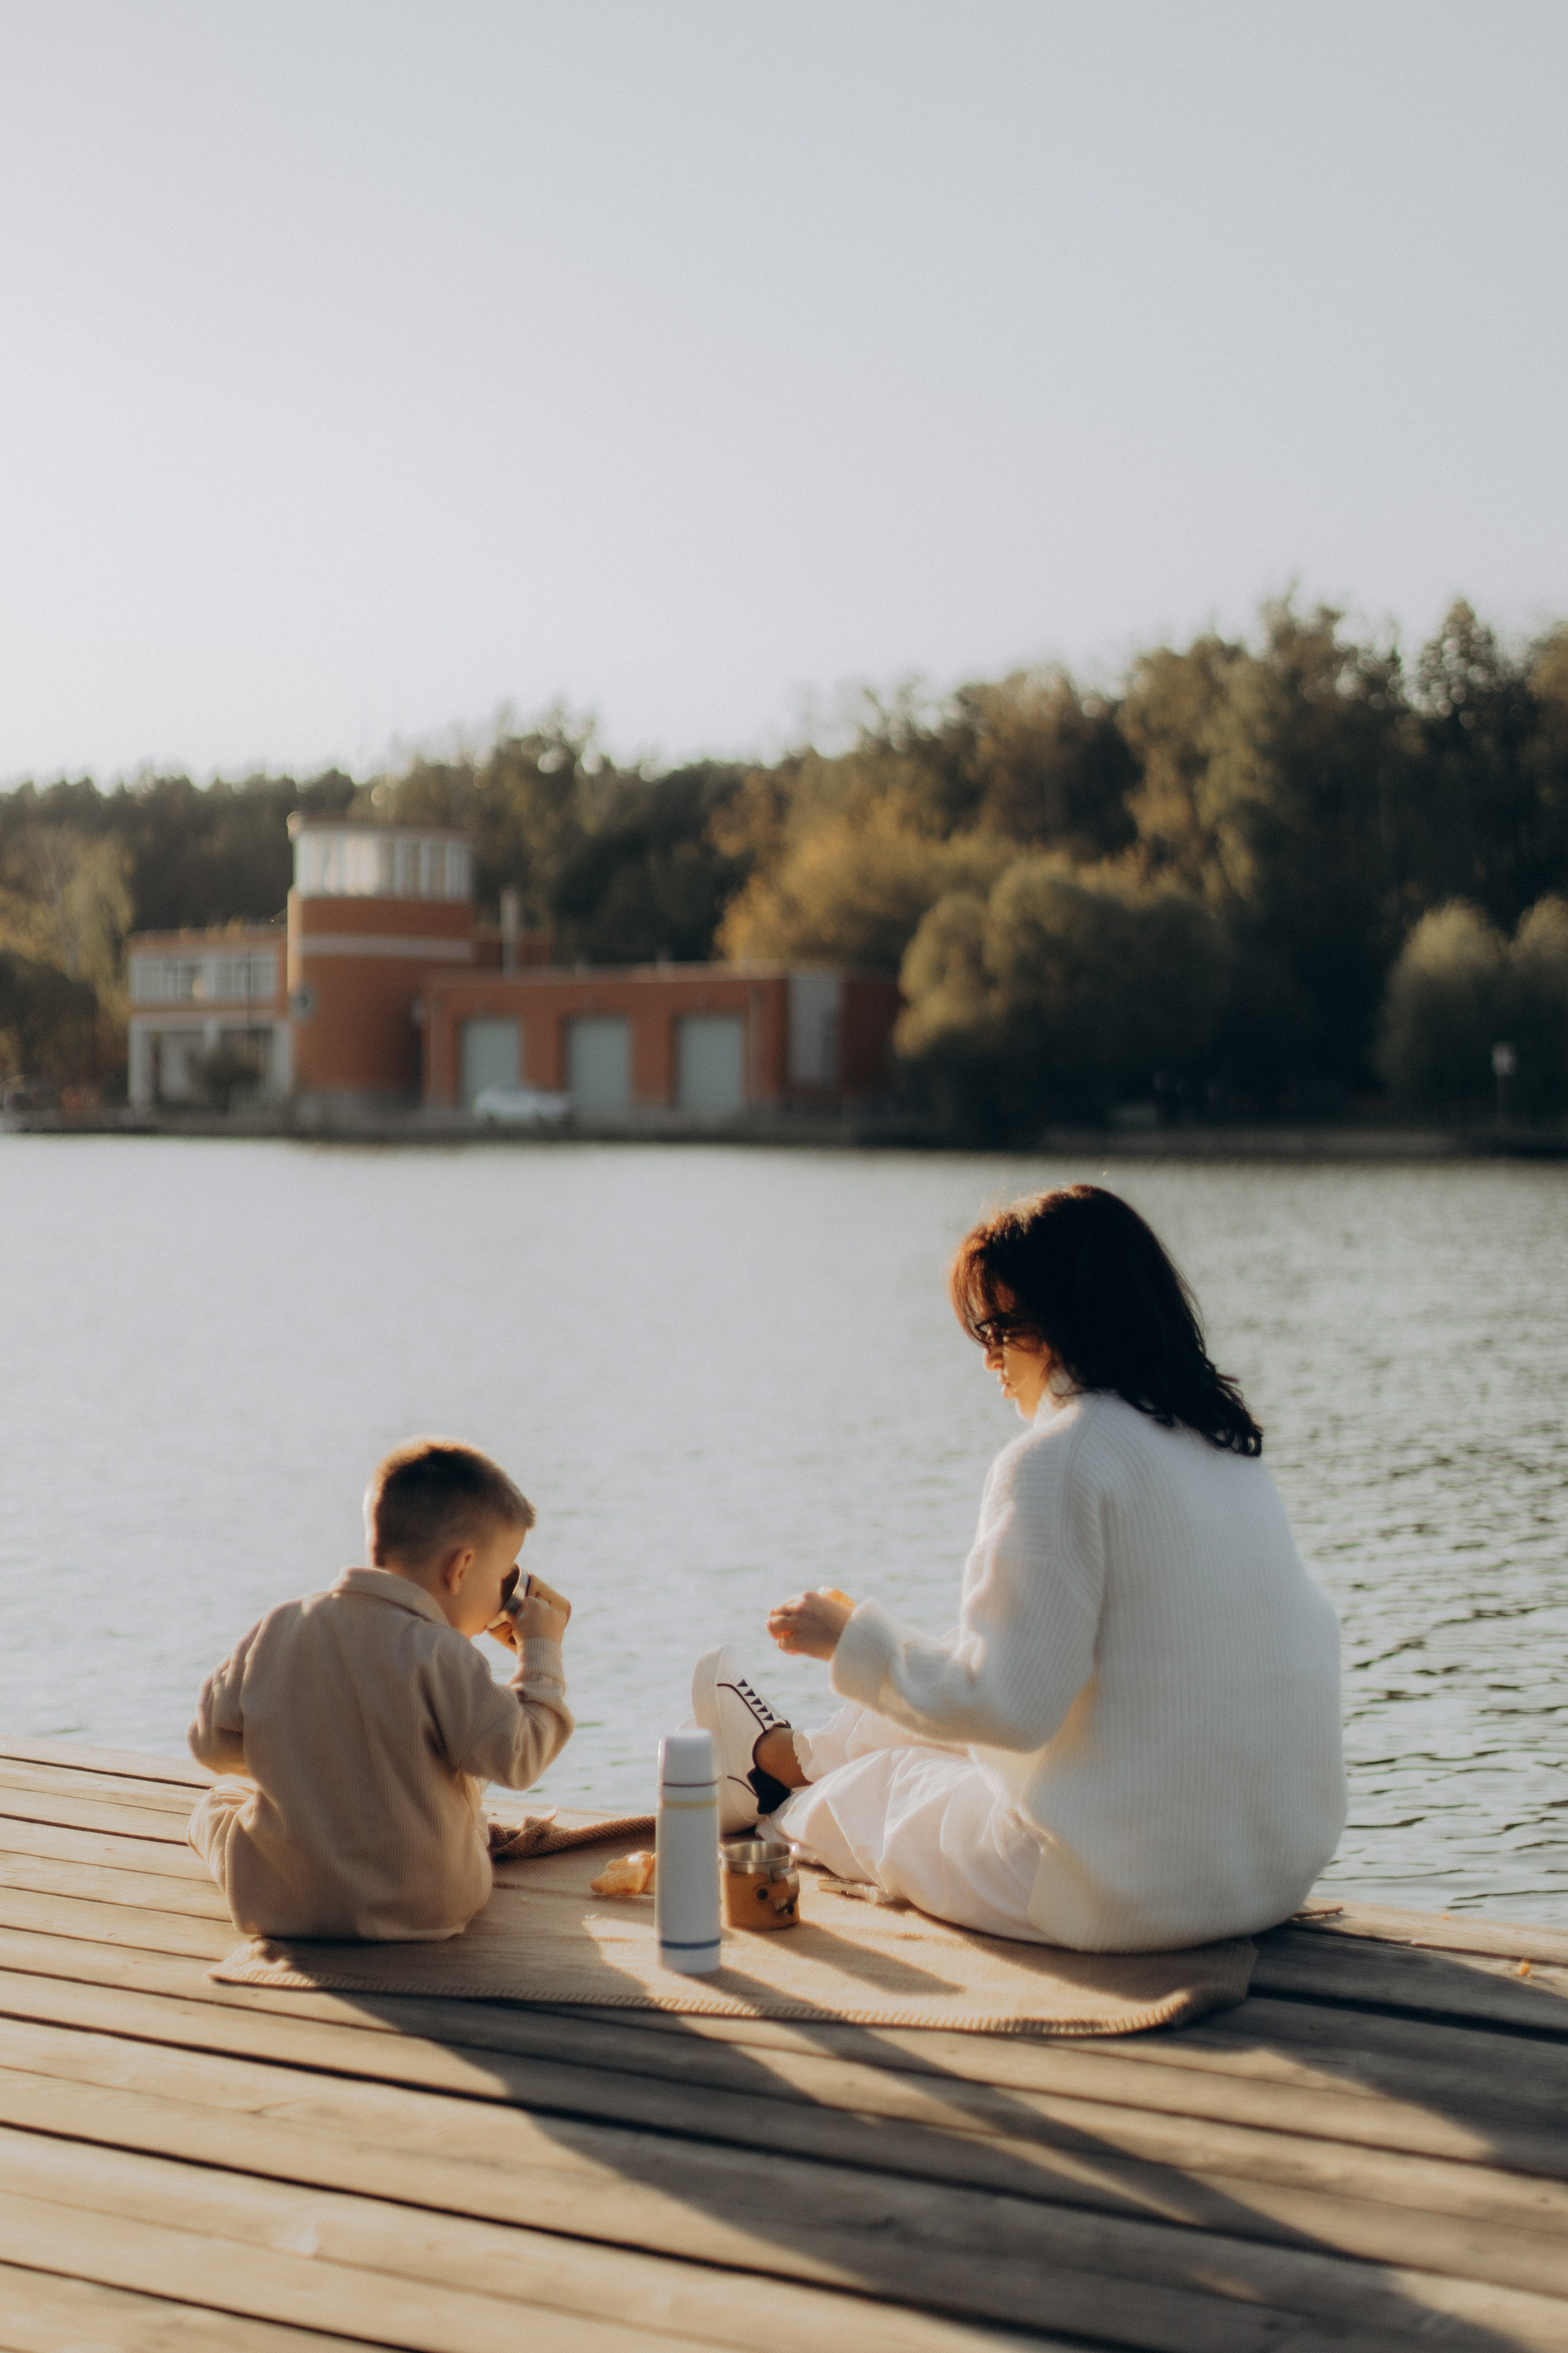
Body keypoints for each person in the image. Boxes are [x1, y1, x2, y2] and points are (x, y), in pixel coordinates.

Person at [692, 1185, 1346, 1954]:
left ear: (1074, 1319)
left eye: (1003, 1329)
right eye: (982, 1334)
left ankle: (778, 1780)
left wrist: (845, 1638)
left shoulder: (1057, 1459)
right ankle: (786, 1752)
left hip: (1116, 1888)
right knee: (951, 1666)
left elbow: (1006, 1708)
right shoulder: (1225, 1450)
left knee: (862, 1798)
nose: (990, 1358)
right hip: (1268, 1872)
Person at [187, 1438, 573, 1941]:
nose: (504, 1593)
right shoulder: (445, 1656)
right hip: (430, 1907)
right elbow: (520, 1755)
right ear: (460, 1568)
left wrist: (310, 1760)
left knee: (217, 1805)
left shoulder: (278, 1628)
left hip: (287, 1903)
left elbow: (209, 1744)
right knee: (462, 1780)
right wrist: (539, 1650)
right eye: (503, 1576)